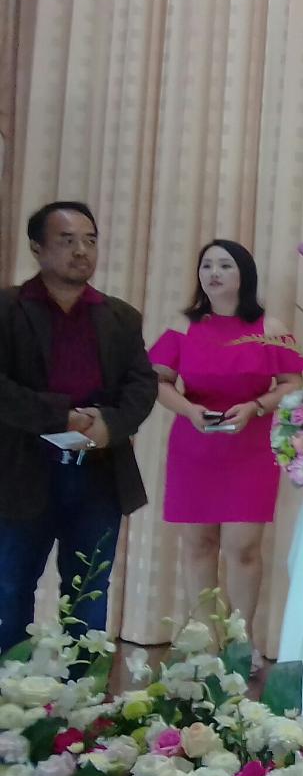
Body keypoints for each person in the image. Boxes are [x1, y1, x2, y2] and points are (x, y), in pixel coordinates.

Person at [0, 202, 157, 651]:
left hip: (98, 474)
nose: (81, 251)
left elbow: (141, 383)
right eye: (67, 241)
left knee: (89, 591)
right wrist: (61, 416)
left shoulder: (120, 316)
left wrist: (111, 424)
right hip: (22, 472)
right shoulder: (7, 308)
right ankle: (11, 686)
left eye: (90, 240)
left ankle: (82, 690)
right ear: (37, 248)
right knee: (11, 587)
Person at [148, 239, 303, 671]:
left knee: (244, 547)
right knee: (198, 544)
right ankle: (204, 642)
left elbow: (293, 382)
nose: (214, 273)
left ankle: (241, 641)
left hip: (250, 445)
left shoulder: (270, 326)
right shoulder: (183, 325)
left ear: (243, 274)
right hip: (195, 444)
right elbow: (157, 380)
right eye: (207, 266)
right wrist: (189, 409)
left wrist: (256, 406)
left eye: (224, 265)